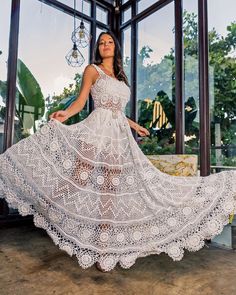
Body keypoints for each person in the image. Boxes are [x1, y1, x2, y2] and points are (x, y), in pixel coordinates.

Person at [0, 31, 235, 273]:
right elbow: (82, 101)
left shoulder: (122, 78)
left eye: (109, 42)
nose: (105, 45)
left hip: (117, 137)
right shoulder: (93, 70)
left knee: (109, 190)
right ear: (98, 49)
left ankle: (103, 247)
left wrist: (136, 126)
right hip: (95, 131)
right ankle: (44, 204)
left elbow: (118, 112)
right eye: (101, 43)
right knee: (77, 179)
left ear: (116, 47)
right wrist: (66, 114)